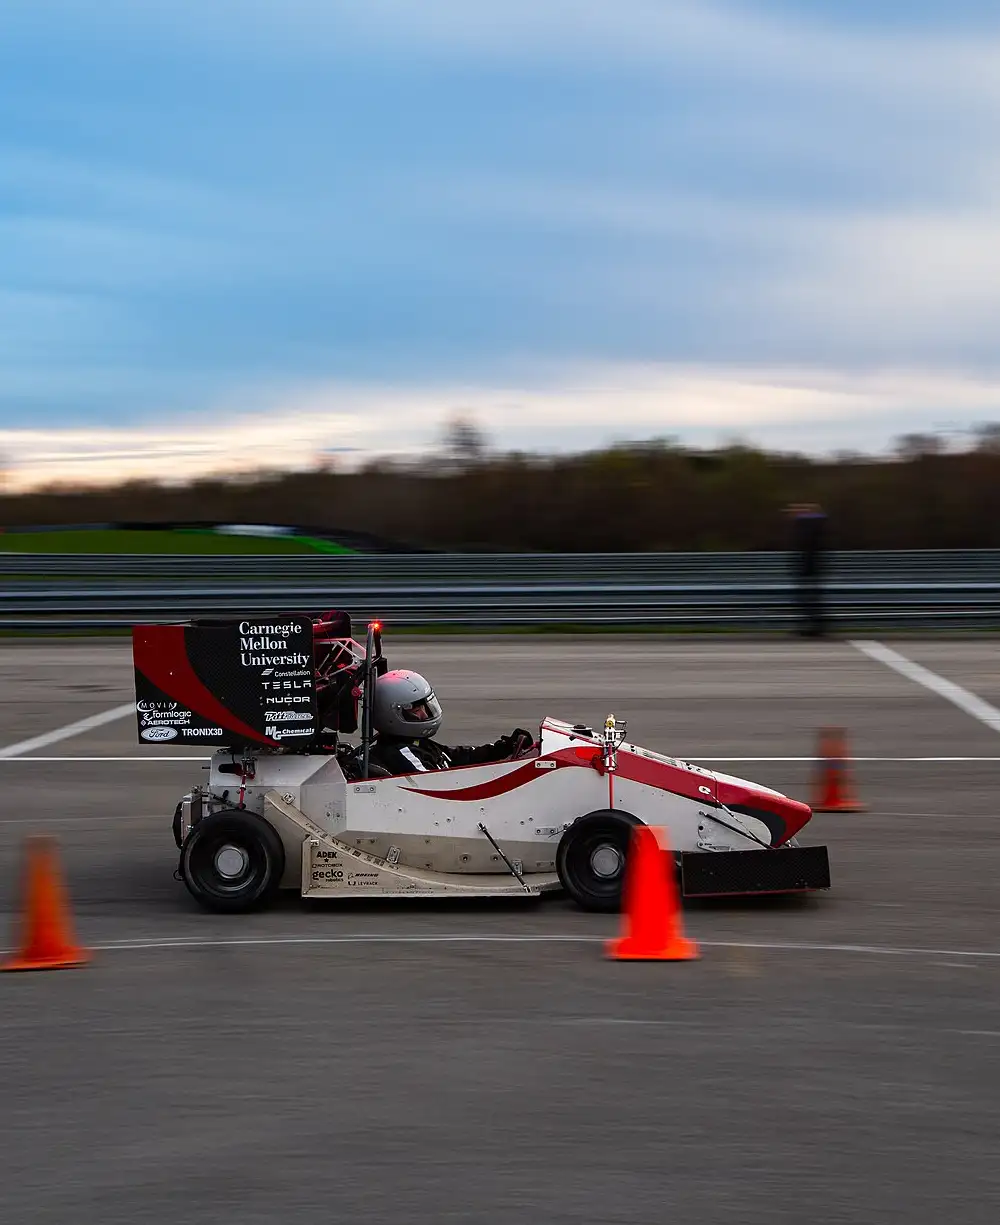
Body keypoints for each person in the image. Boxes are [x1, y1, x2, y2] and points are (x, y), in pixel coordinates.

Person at [366, 669, 535, 775]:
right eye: (417, 710)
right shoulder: (401, 753)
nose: (425, 715)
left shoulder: (417, 744)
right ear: (392, 714)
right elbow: (436, 786)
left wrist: (503, 748)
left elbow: (459, 756)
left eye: (425, 707)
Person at [787, 502, 828, 638]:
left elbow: (805, 548)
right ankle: (813, 625)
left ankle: (814, 626)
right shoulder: (816, 525)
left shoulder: (806, 526)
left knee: (808, 598)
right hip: (811, 567)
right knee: (809, 598)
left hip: (809, 567)